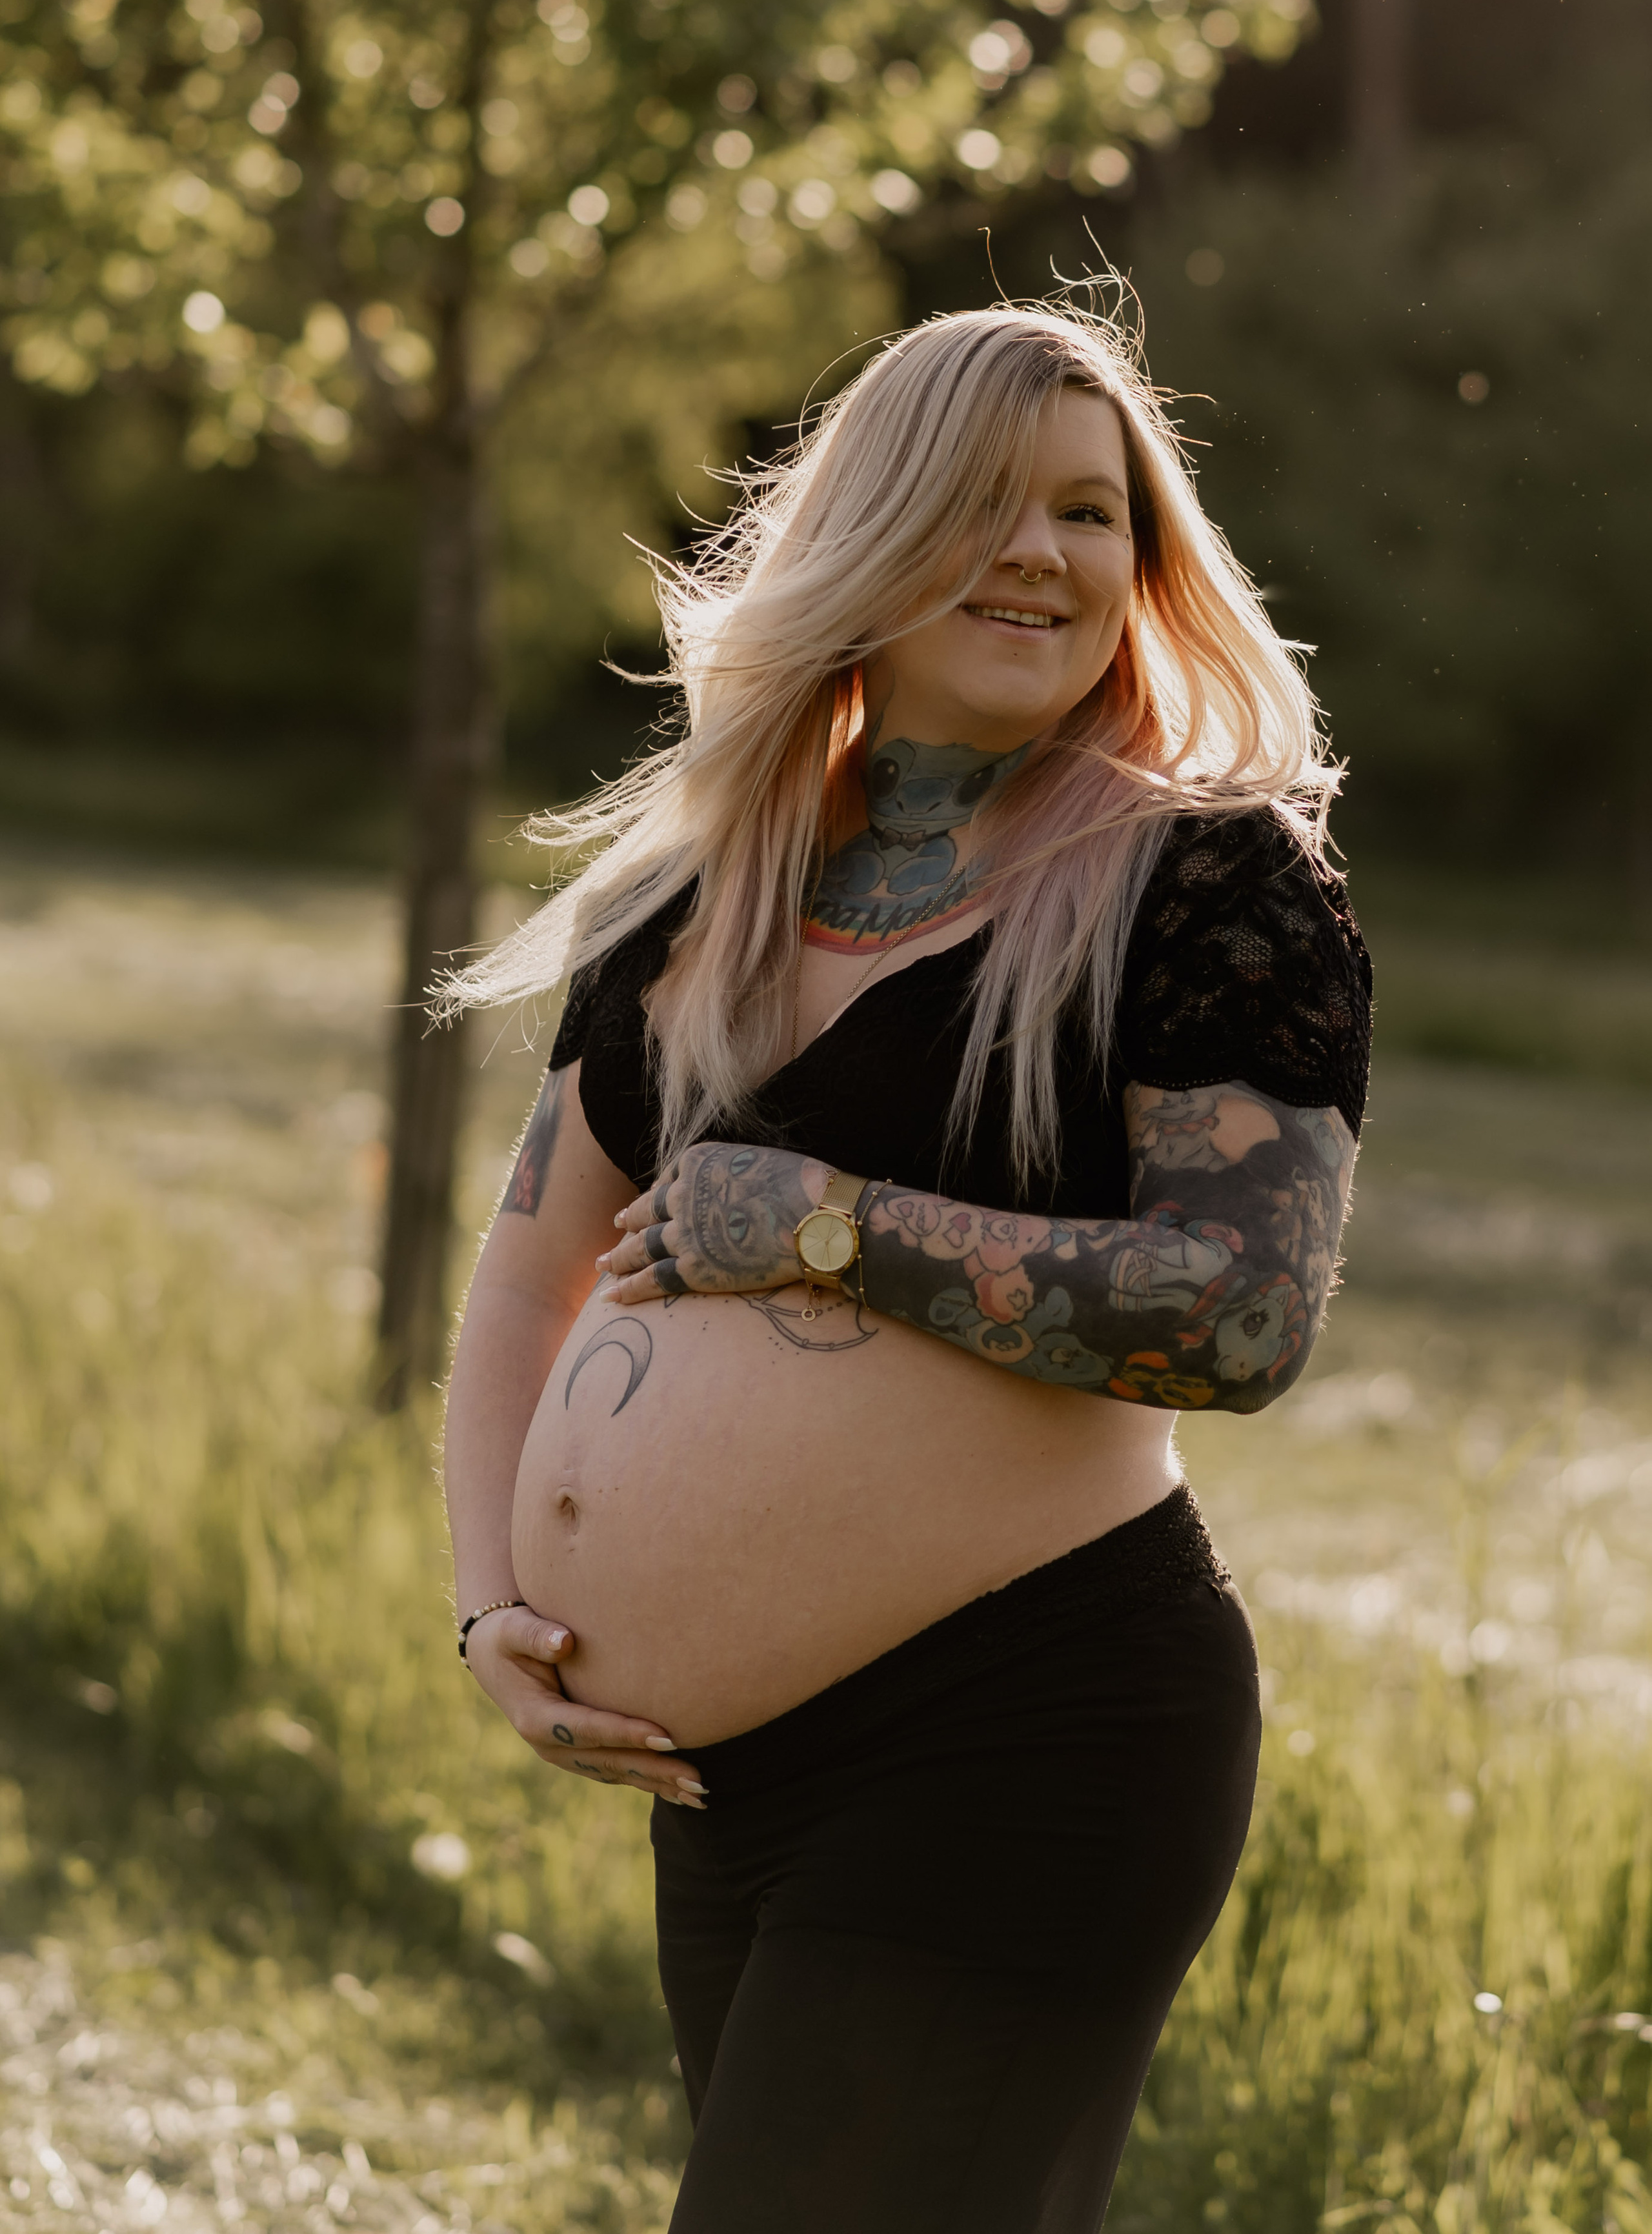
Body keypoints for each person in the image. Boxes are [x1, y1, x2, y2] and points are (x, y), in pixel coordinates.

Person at [439, 301, 1371, 2231]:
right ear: (868, 530)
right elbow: (529, 1274)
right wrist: (490, 1604)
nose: (1044, 552)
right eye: (984, 501)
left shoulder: (1206, 878)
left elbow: (1244, 1310)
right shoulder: (708, 888)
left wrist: (830, 1226)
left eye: (1091, 511)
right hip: (728, 1783)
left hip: (1026, 1730)